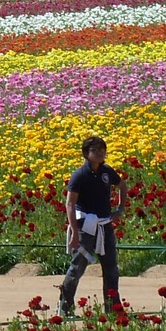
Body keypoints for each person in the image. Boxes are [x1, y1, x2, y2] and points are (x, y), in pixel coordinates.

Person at [57, 136, 127, 317]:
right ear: (86, 154)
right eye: (95, 150)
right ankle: (65, 307)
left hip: (105, 225)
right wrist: (74, 232)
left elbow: (122, 186)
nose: (100, 153)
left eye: (102, 149)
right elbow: (70, 203)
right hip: (85, 225)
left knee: (111, 268)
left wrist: (120, 209)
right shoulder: (79, 175)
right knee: (77, 267)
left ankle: (113, 309)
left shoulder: (106, 172)